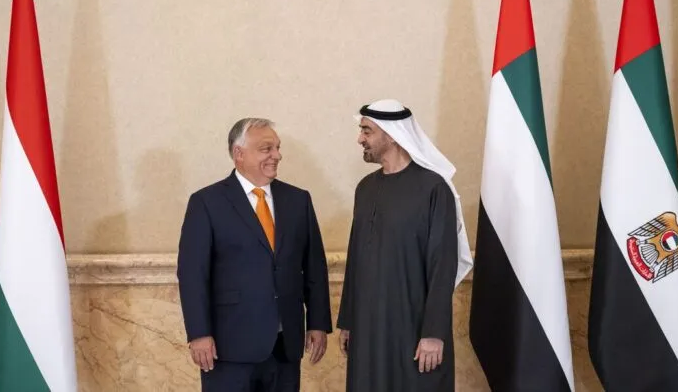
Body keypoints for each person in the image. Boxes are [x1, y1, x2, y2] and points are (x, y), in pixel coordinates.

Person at [177, 118, 332, 392]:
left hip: (286, 347)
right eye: (266, 148)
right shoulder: (206, 202)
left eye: (277, 148)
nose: (277, 155)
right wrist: (199, 333)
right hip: (229, 346)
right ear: (239, 154)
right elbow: (192, 274)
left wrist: (318, 323)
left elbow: (314, 267)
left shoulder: (298, 200)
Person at [337, 99, 474, 392]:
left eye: (367, 131)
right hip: (367, 326)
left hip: (413, 327)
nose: (360, 139)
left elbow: (443, 264)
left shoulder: (433, 188)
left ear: (391, 134)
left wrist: (434, 333)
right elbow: (356, 257)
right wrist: (348, 321)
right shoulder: (365, 188)